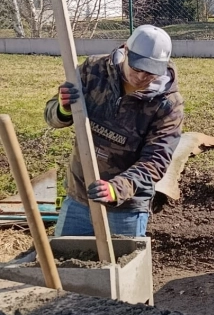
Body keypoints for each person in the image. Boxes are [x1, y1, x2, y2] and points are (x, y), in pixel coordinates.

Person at [45, 25, 184, 238]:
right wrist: (63, 109)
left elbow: (156, 160)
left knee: (124, 260)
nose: (141, 76)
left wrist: (116, 189)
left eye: (150, 72)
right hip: (79, 196)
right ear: (125, 50)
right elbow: (51, 116)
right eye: (137, 68)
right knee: (67, 258)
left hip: (126, 208)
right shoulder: (94, 70)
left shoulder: (168, 104)